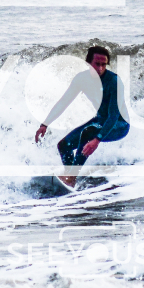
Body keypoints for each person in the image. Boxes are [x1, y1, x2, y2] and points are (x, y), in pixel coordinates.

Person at [34, 46, 130, 188]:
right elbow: (64, 102)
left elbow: (114, 115)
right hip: (100, 121)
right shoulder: (81, 79)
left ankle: (71, 177)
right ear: (88, 63)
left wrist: (97, 139)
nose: (100, 68)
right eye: (97, 64)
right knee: (64, 145)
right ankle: (69, 180)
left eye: (104, 64)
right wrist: (45, 124)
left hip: (119, 124)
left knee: (88, 132)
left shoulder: (114, 81)